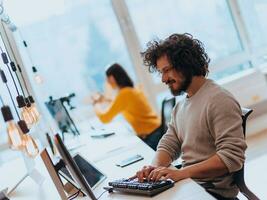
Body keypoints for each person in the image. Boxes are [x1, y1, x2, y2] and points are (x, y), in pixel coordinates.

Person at [132, 33, 247, 200]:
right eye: (160, 73)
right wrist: (153, 168)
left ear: (185, 65)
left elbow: (231, 157)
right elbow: (169, 144)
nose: (163, 79)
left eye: (166, 70)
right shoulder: (181, 106)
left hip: (212, 194)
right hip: (190, 186)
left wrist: (181, 173)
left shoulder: (219, 99)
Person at [92, 63, 161, 150]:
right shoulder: (132, 89)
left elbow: (104, 118)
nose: (107, 83)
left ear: (112, 78)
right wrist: (105, 100)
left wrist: (95, 104)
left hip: (152, 137)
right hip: (157, 130)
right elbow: (119, 103)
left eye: (107, 79)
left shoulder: (124, 94)